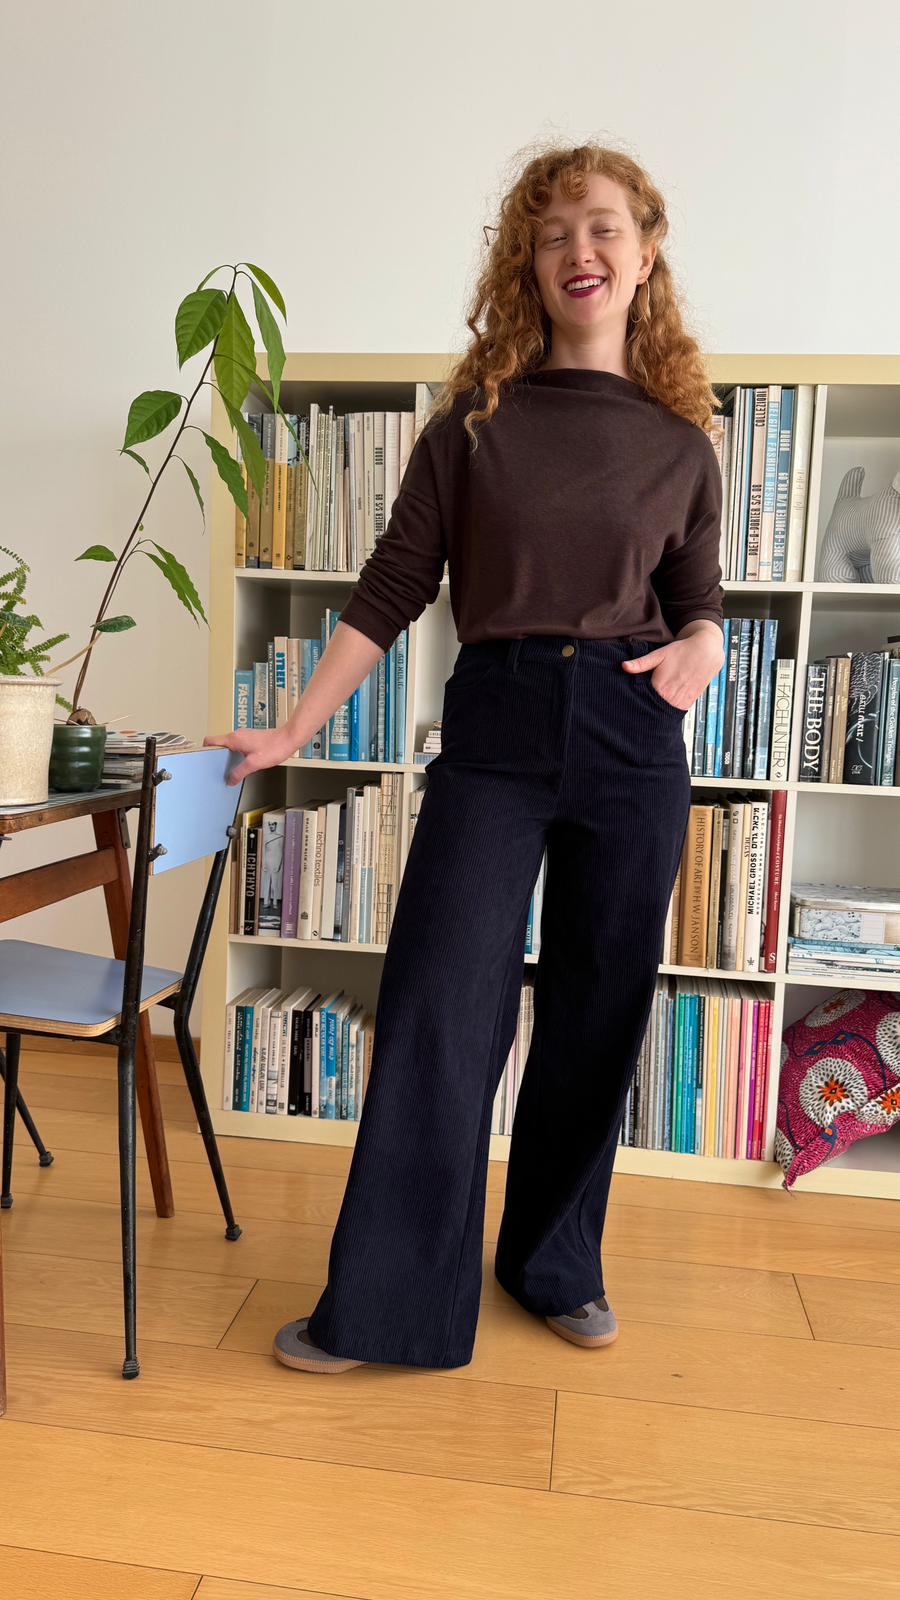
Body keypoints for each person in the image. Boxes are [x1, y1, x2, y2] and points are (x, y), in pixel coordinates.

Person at [204, 141, 726, 1375]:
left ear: (647, 251)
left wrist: (705, 643)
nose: (579, 251)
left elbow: (699, 602)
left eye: (603, 227)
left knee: (598, 1007)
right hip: (497, 726)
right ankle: (388, 1308)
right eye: (552, 235)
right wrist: (294, 728)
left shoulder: (681, 443)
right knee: (440, 1003)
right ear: (525, 266)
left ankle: (554, 1263)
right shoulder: (475, 424)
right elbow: (393, 585)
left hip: (632, 736)